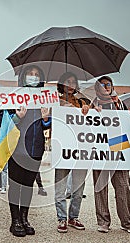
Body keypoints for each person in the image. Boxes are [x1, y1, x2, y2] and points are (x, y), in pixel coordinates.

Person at [0, 65, 51, 237]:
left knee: (28, 185)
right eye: (30, 74)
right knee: (15, 185)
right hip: (16, 148)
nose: (33, 77)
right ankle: (15, 220)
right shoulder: (15, 96)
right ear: (24, 77)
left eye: (36, 74)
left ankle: (25, 218)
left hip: (35, 148)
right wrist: (17, 117)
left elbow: (50, 126)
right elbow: (1, 119)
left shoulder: (45, 99)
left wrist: (46, 119)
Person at [88, 76, 130, 234]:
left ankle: (127, 221)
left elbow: (127, 125)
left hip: (118, 146)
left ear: (112, 86)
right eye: (101, 85)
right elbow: (85, 124)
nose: (105, 87)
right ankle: (103, 222)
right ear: (97, 89)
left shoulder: (120, 103)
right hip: (100, 148)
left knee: (123, 186)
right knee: (100, 188)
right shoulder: (92, 104)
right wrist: (87, 112)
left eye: (108, 84)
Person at [54, 72, 90, 233]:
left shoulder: (83, 101)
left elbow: (96, 119)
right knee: (60, 187)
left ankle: (73, 217)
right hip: (62, 148)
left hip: (81, 148)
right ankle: (61, 218)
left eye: (73, 81)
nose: (70, 84)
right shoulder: (55, 101)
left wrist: (89, 109)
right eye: (67, 81)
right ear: (61, 84)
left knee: (78, 187)